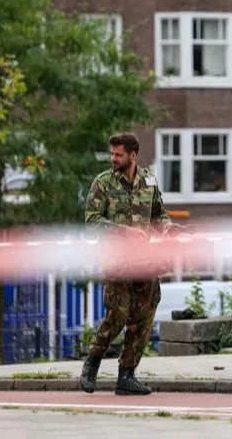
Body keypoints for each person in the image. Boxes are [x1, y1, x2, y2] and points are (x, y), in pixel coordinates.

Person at [79, 132, 174, 396]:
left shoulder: (149, 181)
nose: (113, 158)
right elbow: (92, 221)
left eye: (118, 154)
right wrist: (123, 231)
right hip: (116, 262)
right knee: (117, 314)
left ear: (133, 155)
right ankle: (93, 361)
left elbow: (159, 214)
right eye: (112, 154)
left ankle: (127, 375)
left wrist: (168, 228)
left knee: (143, 317)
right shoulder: (103, 183)